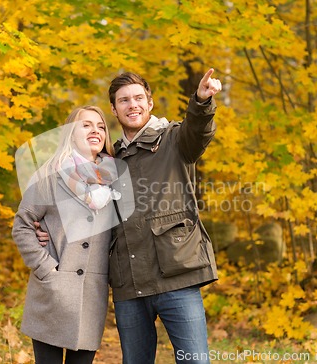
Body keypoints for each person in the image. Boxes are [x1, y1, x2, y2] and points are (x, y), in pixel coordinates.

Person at [37, 69, 222, 363]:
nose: (132, 105)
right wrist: (45, 226)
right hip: (129, 284)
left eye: (138, 98)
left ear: (149, 103)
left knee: (194, 361)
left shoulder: (175, 139)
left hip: (177, 276)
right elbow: (86, 208)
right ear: (114, 109)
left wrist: (201, 101)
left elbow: (199, 131)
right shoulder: (109, 159)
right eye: (124, 100)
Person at [12, 106, 125, 364]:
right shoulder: (50, 176)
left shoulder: (116, 179)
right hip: (52, 292)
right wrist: (46, 267)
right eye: (86, 125)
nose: (95, 130)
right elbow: (22, 225)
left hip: (91, 295)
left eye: (100, 126)